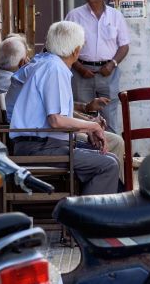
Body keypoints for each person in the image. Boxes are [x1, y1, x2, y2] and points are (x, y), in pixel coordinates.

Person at [9, 21, 119, 195]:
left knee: (108, 158)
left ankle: (89, 211)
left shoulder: (47, 62)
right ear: (75, 50)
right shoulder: (54, 68)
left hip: (41, 144)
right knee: (107, 165)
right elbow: (56, 120)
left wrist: (87, 127)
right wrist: (93, 126)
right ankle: (87, 218)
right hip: (39, 148)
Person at [6, 54, 127, 182]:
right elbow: (56, 119)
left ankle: (112, 191)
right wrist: (89, 126)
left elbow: (59, 110)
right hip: (42, 142)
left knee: (109, 156)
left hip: (47, 138)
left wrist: (87, 117)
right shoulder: (51, 68)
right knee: (109, 156)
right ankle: (111, 194)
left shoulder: (45, 66)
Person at [65, 0, 130, 132]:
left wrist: (112, 64)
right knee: (82, 117)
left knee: (109, 118)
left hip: (108, 73)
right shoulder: (74, 15)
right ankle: (87, 153)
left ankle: (111, 154)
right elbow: (65, 46)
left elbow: (124, 46)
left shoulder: (116, 16)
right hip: (81, 72)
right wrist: (80, 68)